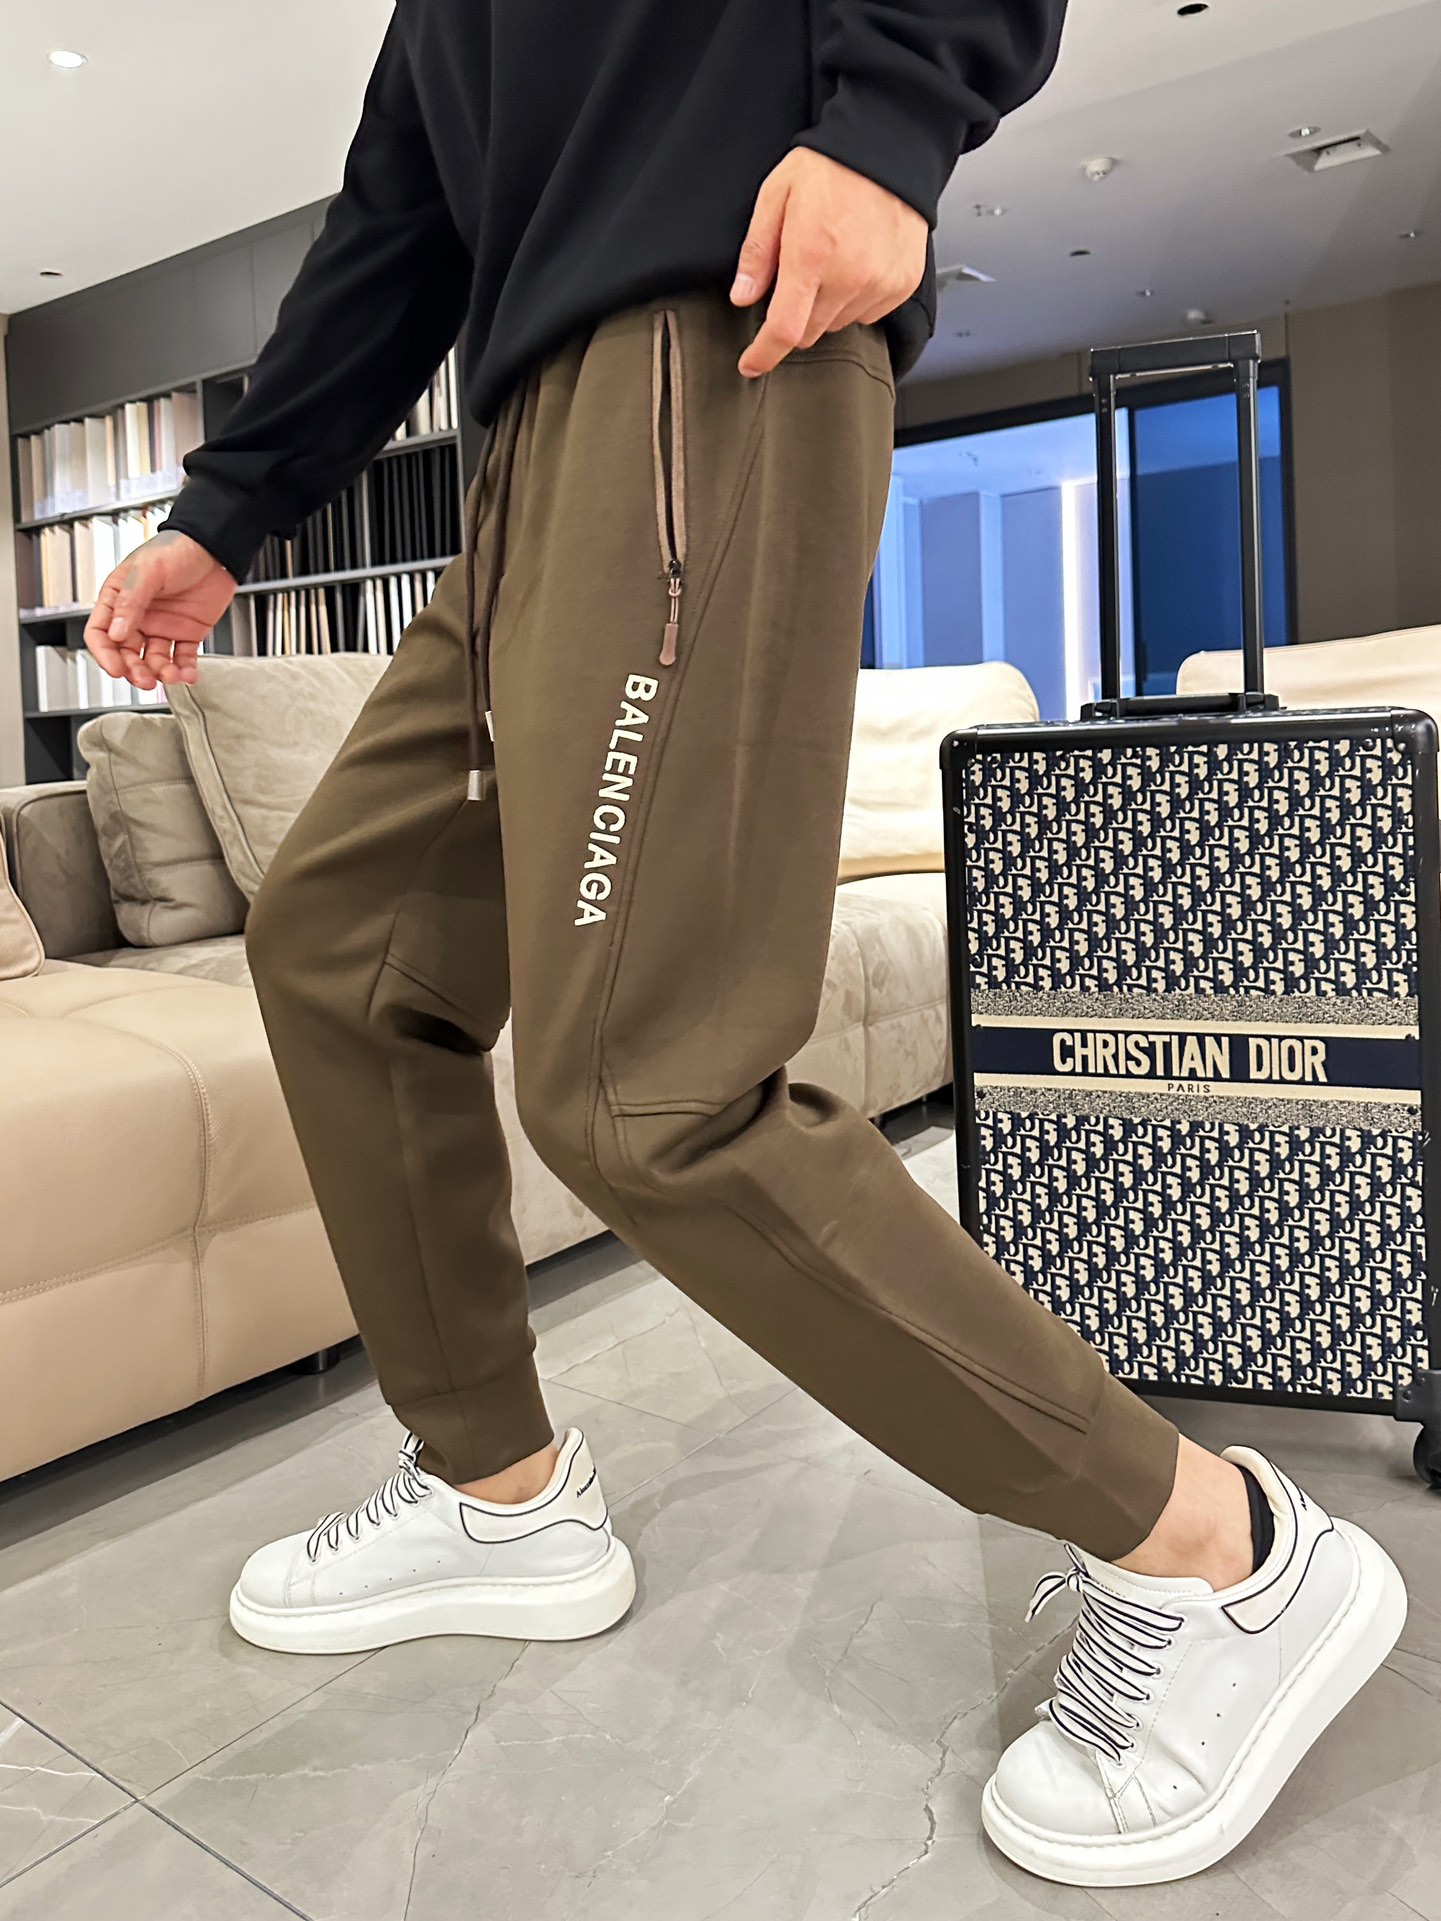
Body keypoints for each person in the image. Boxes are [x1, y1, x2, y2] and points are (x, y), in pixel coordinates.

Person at [82, 0, 1405, 1889]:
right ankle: (497, 1486)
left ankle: (1219, 1551)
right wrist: (226, 513)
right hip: (530, 449)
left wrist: (892, 121)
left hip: (712, 341)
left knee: (649, 1083)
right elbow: (395, 227)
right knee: (342, 947)